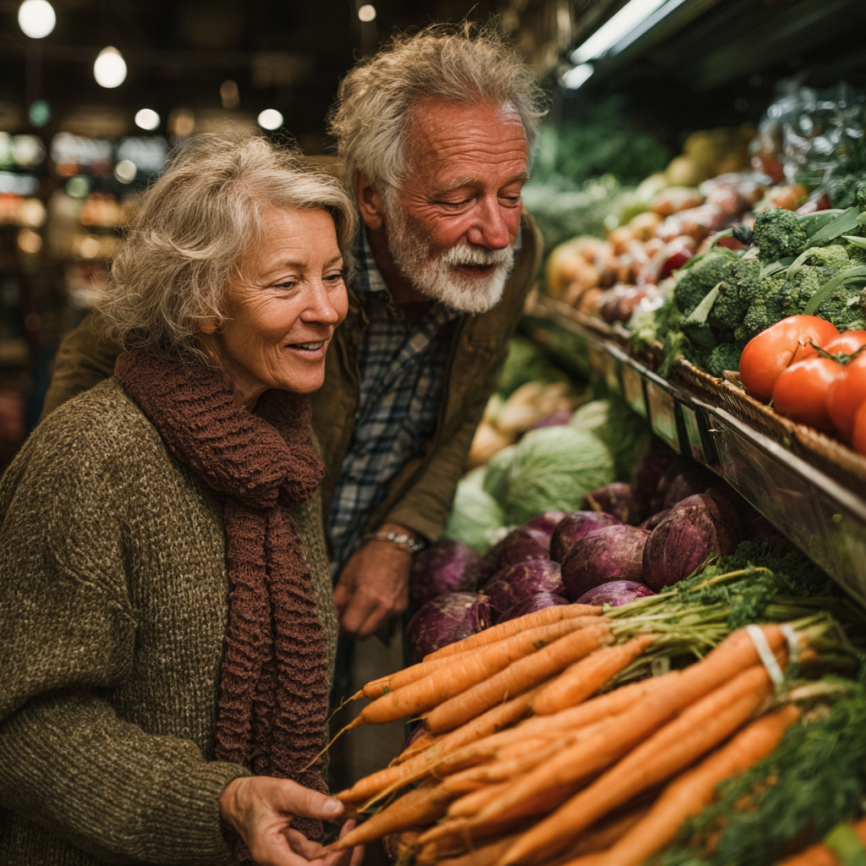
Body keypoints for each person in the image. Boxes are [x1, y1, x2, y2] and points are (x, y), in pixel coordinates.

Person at [40, 24, 547, 641]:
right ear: (371, 197)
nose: (497, 232)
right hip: (231, 566)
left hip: (353, 570)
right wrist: (78, 527)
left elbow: (464, 412)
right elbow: (94, 355)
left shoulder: (516, 255)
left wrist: (400, 534)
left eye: (512, 193)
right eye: (458, 199)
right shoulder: (275, 218)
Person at [0, 134, 364, 866]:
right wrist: (221, 805)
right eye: (287, 284)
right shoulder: (90, 457)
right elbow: (25, 730)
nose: (328, 309)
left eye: (333, 276)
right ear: (200, 302)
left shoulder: (285, 453)